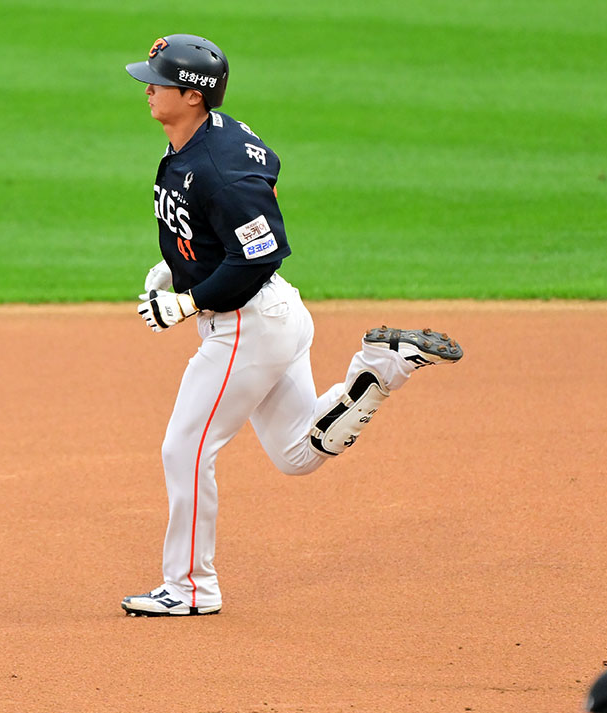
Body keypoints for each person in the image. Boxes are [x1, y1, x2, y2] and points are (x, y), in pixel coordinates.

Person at [119, 35, 463, 617]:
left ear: (192, 95)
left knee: (184, 449)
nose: (146, 87)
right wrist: (179, 263)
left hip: (245, 326)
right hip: (274, 317)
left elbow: (258, 255)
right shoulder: (205, 138)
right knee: (296, 457)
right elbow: (258, 181)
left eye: (158, 79)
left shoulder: (216, 168)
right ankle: (380, 369)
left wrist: (189, 300)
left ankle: (190, 588)